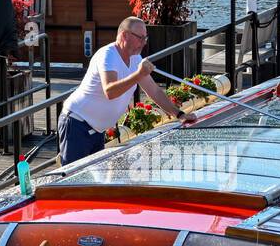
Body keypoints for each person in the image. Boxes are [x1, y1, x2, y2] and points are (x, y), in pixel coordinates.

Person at [59, 16, 192, 166]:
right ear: (124, 35)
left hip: (97, 129)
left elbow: (154, 90)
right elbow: (110, 91)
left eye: (145, 38)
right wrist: (138, 74)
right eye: (139, 38)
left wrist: (179, 114)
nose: (143, 43)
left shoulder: (135, 58)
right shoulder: (108, 55)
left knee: (92, 182)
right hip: (77, 124)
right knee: (73, 180)